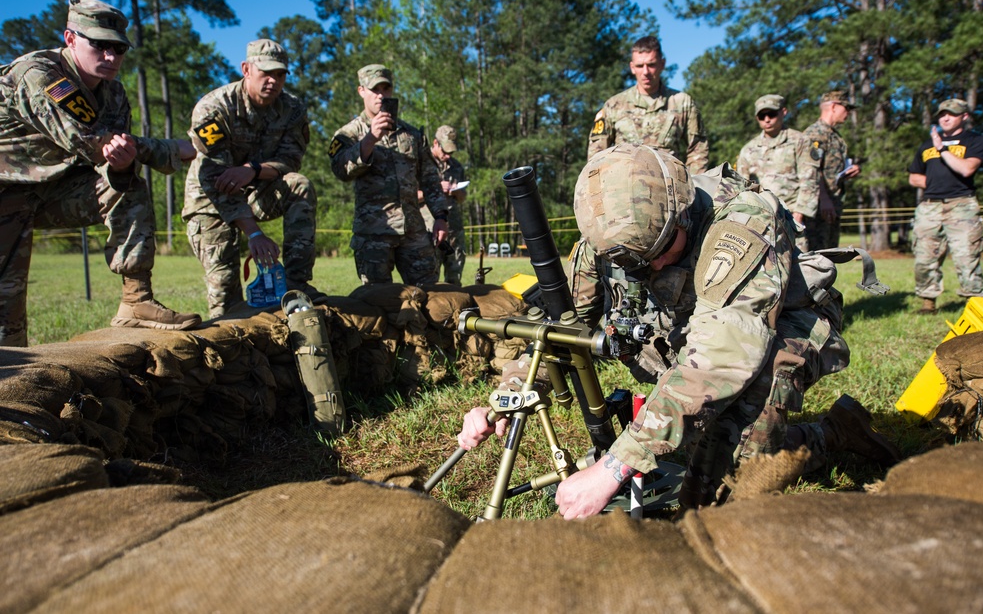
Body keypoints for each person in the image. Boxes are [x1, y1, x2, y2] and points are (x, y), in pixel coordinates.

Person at [459, 144, 899, 518]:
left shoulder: (741, 224)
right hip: (692, 338)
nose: (648, 269)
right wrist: (507, 396)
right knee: (688, 448)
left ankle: (833, 436)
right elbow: (565, 329)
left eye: (658, 253)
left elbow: (721, 360)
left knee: (722, 498)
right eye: (633, 263)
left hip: (775, 331)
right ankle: (831, 430)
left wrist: (612, 468)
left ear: (683, 217)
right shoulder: (609, 237)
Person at [0, 0, 201, 346]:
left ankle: (136, 302)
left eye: (119, 49)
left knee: (125, 185)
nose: (111, 57)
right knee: (7, 319)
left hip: (54, 190)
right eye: (100, 45)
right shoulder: (38, 74)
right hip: (5, 193)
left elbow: (113, 154)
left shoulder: (115, 94)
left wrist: (124, 162)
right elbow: (86, 141)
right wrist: (170, 149)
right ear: (70, 39)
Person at [183, 39, 321, 319]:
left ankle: (296, 285)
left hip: (255, 189)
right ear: (246, 69)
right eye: (266, 73)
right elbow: (214, 177)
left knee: (299, 184)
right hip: (210, 199)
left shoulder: (292, 109)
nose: (273, 80)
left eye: (280, 74)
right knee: (226, 299)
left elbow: (290, 161)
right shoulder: (215, 107)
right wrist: (254, 234)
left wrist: (253, 170)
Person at [329, 64, 449, 285]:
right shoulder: (349, 134)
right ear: (361, 91)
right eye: (375, 89)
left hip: (414, 233)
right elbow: (340, 170)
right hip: (374, 234)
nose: (381, 95)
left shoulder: (412, 134)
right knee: (379, 302)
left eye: (386, 88)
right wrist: (370, 139)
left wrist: (441, 217)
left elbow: (430, 179)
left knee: (431, 297)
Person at [908, 98, 983, 315]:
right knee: (924, 257)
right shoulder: (926, 144)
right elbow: (914, 177)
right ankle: (928, 304)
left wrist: (942, 149)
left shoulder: (974, 140)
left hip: (962, 205)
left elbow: (967, 169)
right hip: (930, 206)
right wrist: (935, 183)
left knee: (966, 257)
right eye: (942, 114)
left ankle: (975, 305)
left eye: (951, 113)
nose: (945, 117)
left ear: (965, 116)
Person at [587, 36, 709, 173]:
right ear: (632, 67)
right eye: (639, 66)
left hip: (670, 187)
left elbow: (698, 149)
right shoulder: (614, 105)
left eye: (651, 65)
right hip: (623, 188)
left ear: (662, 64)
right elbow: (596, 155)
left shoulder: (682, 102)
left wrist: (693, 187)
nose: (645, 72)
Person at [736, 94, 819, 249]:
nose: (767, 119)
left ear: (783, 112)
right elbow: (741, 188)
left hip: (792, 217)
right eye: (762, 116)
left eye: (772, 114)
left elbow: (810, 180)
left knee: (799, 267)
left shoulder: (799, 141)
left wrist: (799, 215)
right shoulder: (748, 149)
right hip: (760, 220)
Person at [803, 91, 861, 250]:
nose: (848, 113)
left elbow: (828, 169)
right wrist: (824, 198)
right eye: (846, 108)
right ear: (834, 107)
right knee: (817, 257)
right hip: (819, 208)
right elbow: (811, 168)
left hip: (831, 206)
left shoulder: (833, 135)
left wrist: (847, 172)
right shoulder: (816, 133)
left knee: (829, 255)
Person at [421, 125, 467, 285]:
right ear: (435, 143)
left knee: (454, 280)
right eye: (445, 152)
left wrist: (455, 191)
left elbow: (462, 198)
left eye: (451, 153)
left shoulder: (456, 167)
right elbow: (409, 195)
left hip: (453, 230)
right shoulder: (421, 164)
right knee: (428, 281)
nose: (448, 156)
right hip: (429, 231)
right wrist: (436, 188)